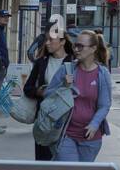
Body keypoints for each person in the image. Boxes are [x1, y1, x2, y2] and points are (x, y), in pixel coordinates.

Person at [47, 30, 112, 162]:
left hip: (91, 138)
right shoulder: (66, 69)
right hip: (66, 133)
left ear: (93, 48)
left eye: (80, 46)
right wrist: (64, 86)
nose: (76, 49)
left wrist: (94, 124)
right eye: (75, 45)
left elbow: (105, 105)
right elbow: (48, 94)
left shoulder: (102, 74)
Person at [22, 29, 74, 160]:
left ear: (62, 41)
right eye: (46, 40)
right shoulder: (41, 62)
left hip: (66, 118)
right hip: (44, 118)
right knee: (42, 159)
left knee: (62, 159)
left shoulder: (73, 62)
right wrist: (39, 91)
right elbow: (27, 88)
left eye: (51, 40)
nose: (47, 43)